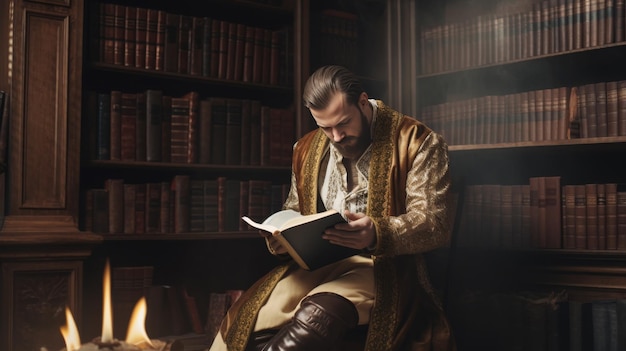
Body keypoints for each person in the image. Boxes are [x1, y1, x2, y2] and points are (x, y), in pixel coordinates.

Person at [209, 65, 455, 351]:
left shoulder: (417, 141)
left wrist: (377, 232)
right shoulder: (305, 148)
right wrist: (282, 238)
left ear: (363, 101)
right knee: (250, 318)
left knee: (316, 316)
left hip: (386, 269)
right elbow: (294, 210)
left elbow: (434, 224)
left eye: (343, 123)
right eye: (325, 127)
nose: (336, 137)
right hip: (320, 266)